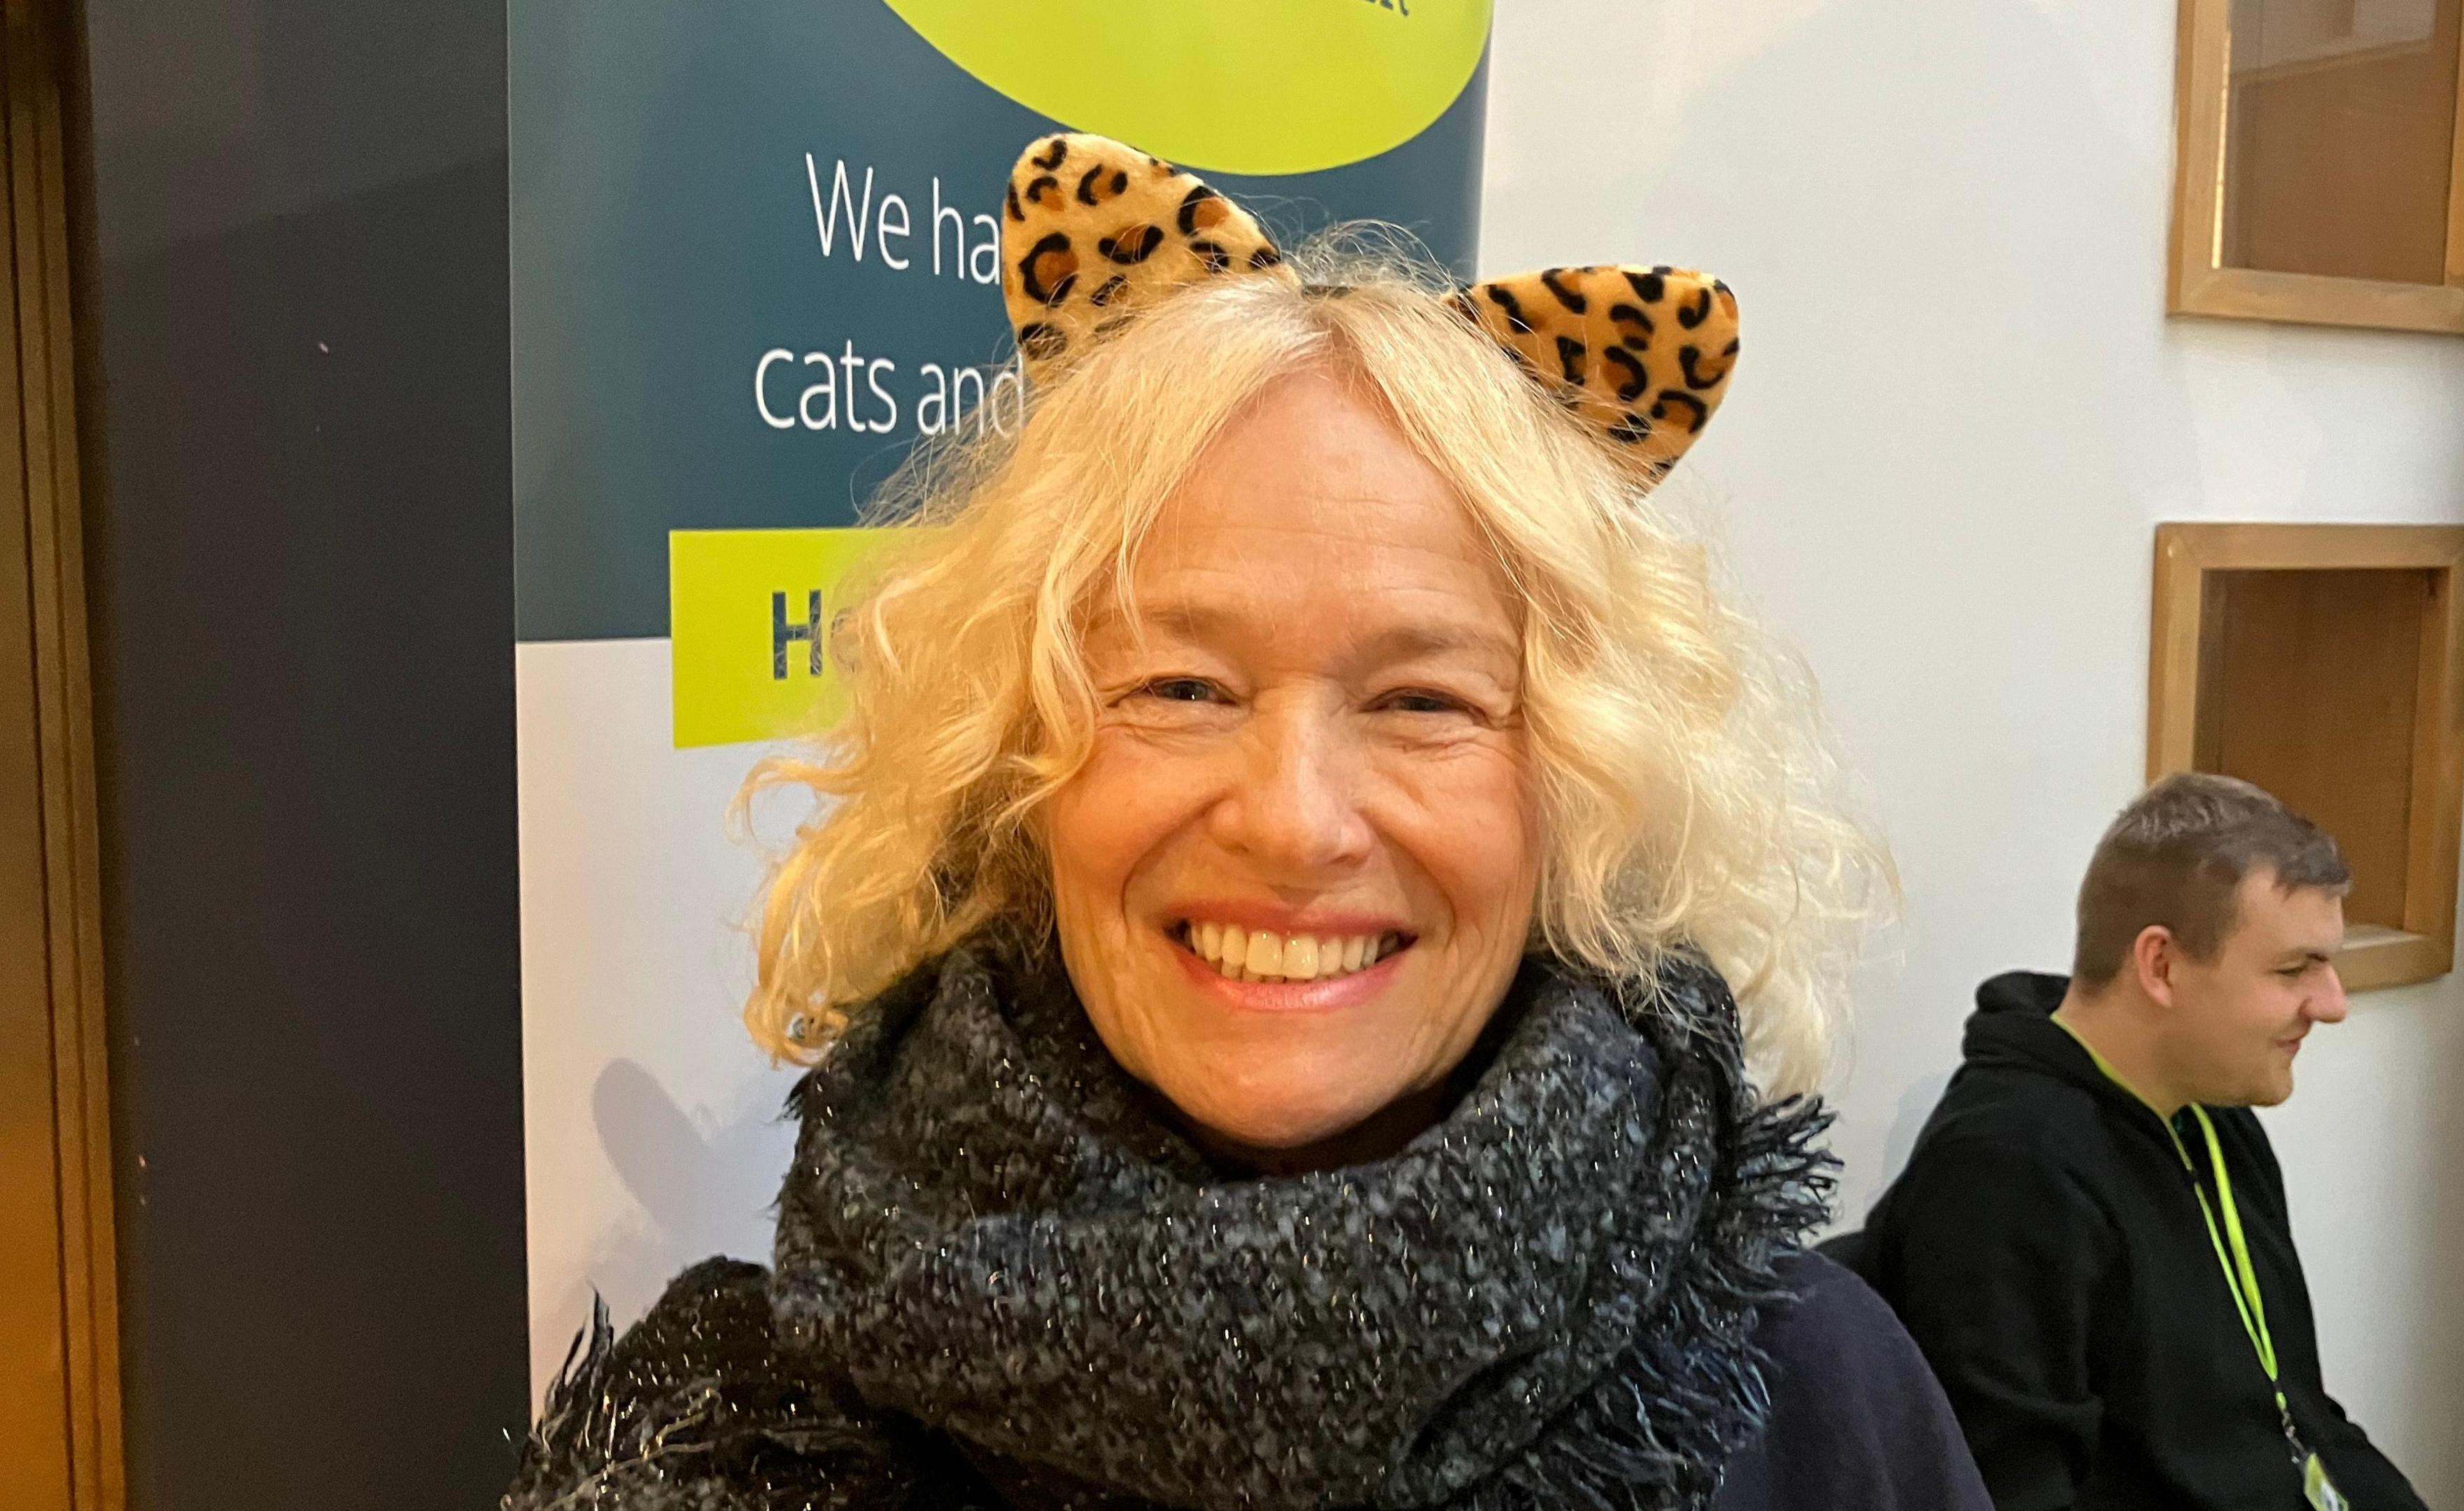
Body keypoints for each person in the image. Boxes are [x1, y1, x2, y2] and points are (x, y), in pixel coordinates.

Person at [501, 132, 1989, 1511]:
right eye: (1182, 685)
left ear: (1583, 788)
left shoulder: (1814, 1402)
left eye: (1423, 701)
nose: (1292, 821)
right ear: (1018, 767)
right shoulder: (731, 1432)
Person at [1852, 773, 2424, 1511]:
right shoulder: (2003, 1175)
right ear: (2159, 964)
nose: (2333, 1003)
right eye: (2294, 969)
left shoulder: (2211, 1112)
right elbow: (2010, 1493)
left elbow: (2297, 1415)